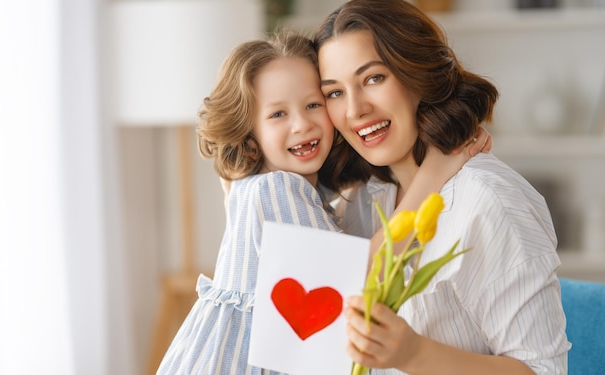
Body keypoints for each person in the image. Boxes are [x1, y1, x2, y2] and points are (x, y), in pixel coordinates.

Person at [156, 29, 491, 375]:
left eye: (313, 104)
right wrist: (435, 172)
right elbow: (353, 276)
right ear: (249, 130)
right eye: (277, 114)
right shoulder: (278, 188)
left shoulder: (254, 186)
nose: (302, 124)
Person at [313, 1, 570, 374]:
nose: (354, 110)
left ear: (417, 72)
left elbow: (544, 371)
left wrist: (416, 355)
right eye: (334, 92)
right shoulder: (363, 199)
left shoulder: (487, 200)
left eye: (373, 78)